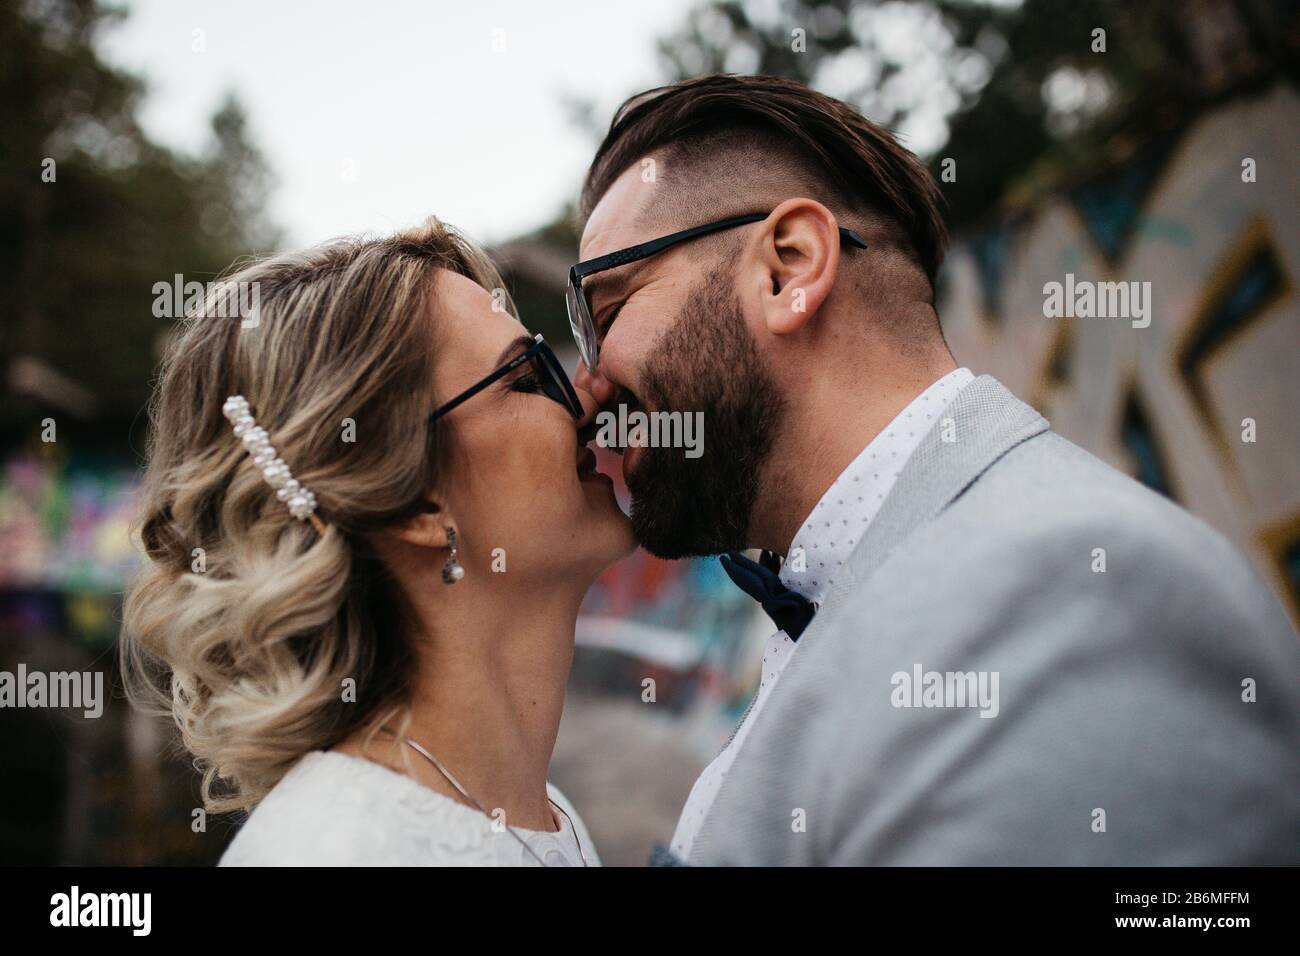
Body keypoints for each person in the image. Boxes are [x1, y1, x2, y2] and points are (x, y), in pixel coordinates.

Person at [569, 74, 1300, 865]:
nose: (590, 383)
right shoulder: (887, 585)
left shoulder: (1070, 599)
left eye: (603, 316)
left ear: (787, 267)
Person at [121, 219, 632, 865]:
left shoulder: (539, 816)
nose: (587, 397)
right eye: (527, 377)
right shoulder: (338, 852)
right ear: (415, 499)